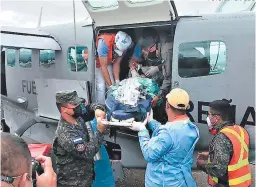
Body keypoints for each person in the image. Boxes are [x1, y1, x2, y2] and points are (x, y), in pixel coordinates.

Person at [129, 88, 199, 187]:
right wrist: (152, 121)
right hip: (180, 181)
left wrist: (142, 131)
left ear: (167, 105)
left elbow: (149, 154)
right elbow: (171, 135)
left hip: (163, 182)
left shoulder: (168, 132)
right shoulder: (191, 128)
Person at [53, 90, 107, 187]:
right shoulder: (66, 134)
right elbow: (88, 152)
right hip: (72, 183)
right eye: (74, 105)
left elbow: (89, 108)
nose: (79, 107)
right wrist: (99, 131)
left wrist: (97, 109)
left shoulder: (76, 117)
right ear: (64, 109)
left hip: (84, 179)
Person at [196, 99, 252, 187]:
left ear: (216, 118)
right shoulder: (240, 130)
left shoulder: (222, 137)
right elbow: (234, 153)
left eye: (209, 114)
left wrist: (201, 165)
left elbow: (218, 170)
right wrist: (210, 154)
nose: (208, 117)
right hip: (243, 183)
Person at [129, 28, 173, 108]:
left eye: (150, 48)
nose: (148, 51)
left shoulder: (165, 50)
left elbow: (168, 76)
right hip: (153, 68)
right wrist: (133, 71)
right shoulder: (142, 43)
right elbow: (133, 61)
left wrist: (158, 96)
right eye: (145, 49)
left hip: (163, 71)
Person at [96, 31, 133, 105]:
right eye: (118, 48)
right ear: (115, 43)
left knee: (113, 84)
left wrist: (117, 81)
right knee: (101, 86)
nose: (119, 51)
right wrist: (110, 86)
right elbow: (103, 67)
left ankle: (111, 105)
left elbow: (117, 63)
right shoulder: (103, 43)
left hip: (109, 61)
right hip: (99, 63)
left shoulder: (125, 45)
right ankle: (101, 106)